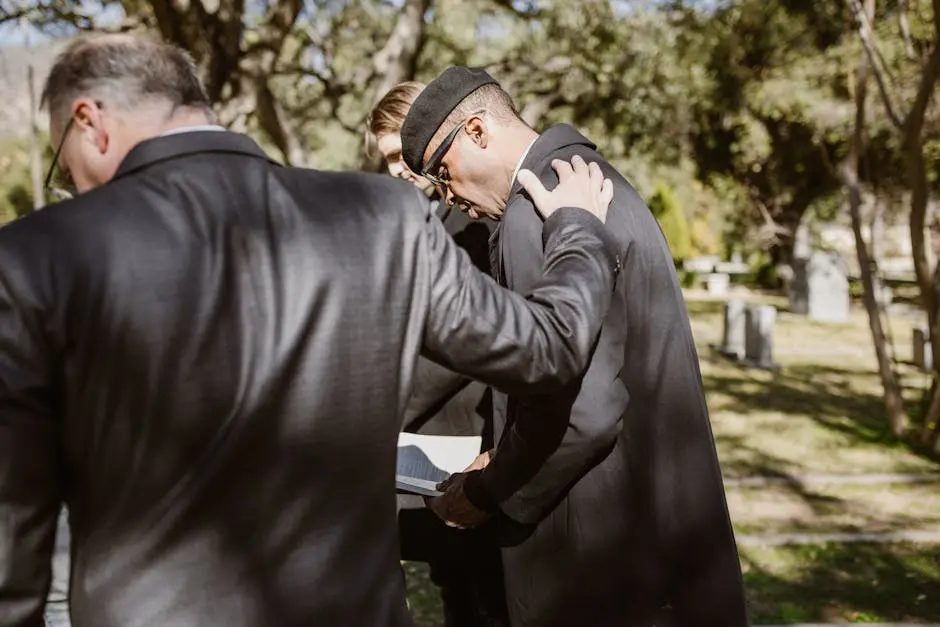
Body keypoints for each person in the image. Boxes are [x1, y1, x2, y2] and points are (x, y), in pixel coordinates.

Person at [0, 33, 620, 627]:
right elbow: (548, 347)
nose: (72, 185)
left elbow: (13, 529)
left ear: (90, 121)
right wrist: (574, 226)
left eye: (63, 165)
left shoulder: (32, 257)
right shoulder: (386, 219)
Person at [399, 66, 749, 627]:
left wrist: (487, 492)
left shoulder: (533, 212)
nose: (453, 200)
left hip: (593, 550)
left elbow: (580, 413)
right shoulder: (589, 179)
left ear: (479, 131)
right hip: (658, 528)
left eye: (445, 174)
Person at [367, 83, 508, 626]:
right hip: (425, 442)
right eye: (387, 161)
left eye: (402, 154)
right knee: (456, 589)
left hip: (461, 434)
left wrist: (383, 409)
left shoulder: (469, 219)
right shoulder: (427, 218)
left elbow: (461, 344)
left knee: (483, 595)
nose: (399, 170)